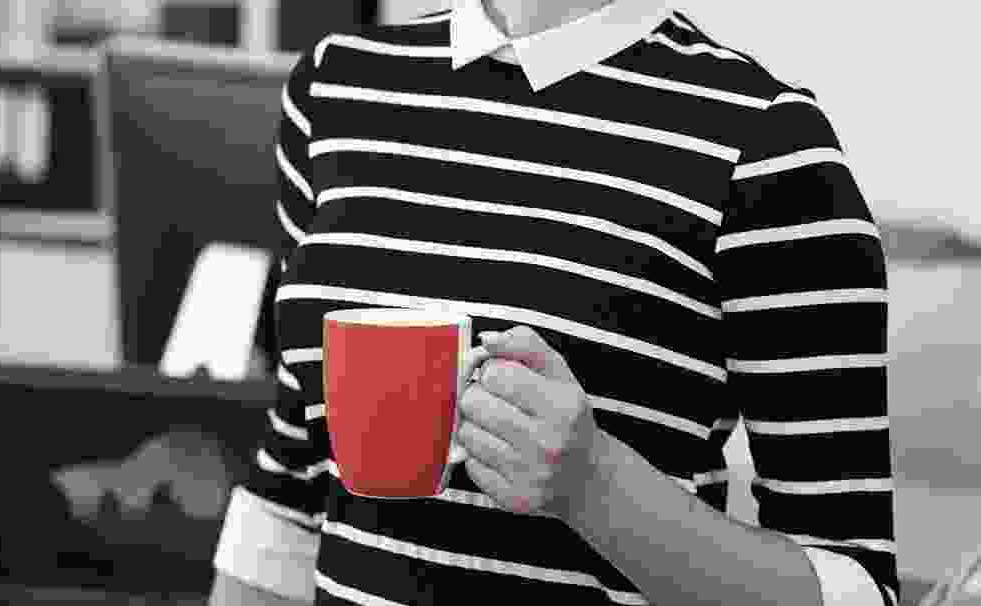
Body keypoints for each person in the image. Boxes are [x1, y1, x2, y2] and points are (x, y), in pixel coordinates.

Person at [210, 1, 897, 604]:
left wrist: (595, 485)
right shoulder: (335, 86)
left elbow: (857, 584)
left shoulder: (767, 145)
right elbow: (293, 480)